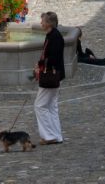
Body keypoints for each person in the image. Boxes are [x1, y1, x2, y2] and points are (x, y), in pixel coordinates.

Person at [34, 11, 65, 145]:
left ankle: (49, 136)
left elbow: (53, 57)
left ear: (48, 23)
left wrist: (40, 64)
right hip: (54, 75)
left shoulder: (55, 37)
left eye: (43, 21)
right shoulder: (52, 35)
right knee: (51, 106)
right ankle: (56, 135)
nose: (41, 23)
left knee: (40, 105)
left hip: (50, 76)